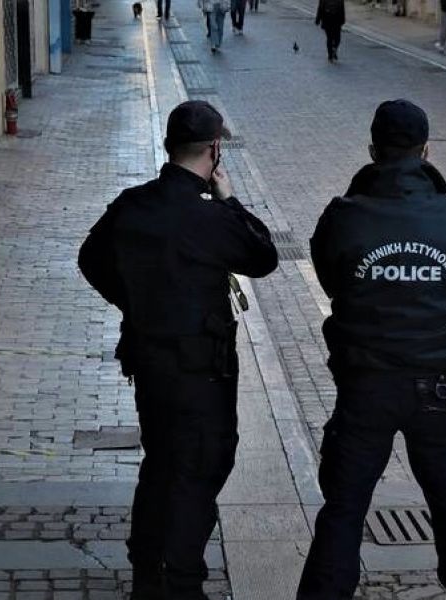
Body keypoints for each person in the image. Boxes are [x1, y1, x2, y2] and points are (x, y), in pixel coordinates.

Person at [78, 101, 278, 600]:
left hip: (149, 364)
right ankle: (183, 581)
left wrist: (135, 301)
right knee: (200, 468)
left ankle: (147, 572)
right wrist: (230, 201)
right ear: (214, 150)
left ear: (169, 147)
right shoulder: (210, 216)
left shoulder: (132, 204)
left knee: (161, 462)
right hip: (201, 371)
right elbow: (263, 256)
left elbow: (89, 259)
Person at [296, 99, 446, 600]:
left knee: (343, 511)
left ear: (372, 151)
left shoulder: (343, 217)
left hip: (367, 386)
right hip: (441, 390)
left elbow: (332, 282)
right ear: (426, 151)